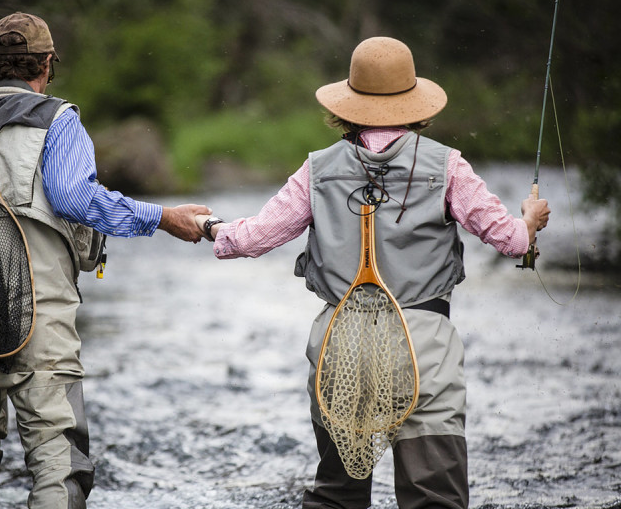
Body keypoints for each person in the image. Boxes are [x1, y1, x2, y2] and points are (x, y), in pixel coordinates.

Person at [195, 36, 551, 508]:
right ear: (414, 101)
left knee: (338, 497)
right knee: (434, 499)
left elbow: (250, 239)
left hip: (340, 343)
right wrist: (530, 220)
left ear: (347, 103)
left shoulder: (317, 169)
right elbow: (511, 242)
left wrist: (206, 225)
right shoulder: (448, 166)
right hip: (424, 345)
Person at [0, 12, 210, 509]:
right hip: (43, 329)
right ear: (48, 63)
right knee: (58, 458)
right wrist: (163, 217)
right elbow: (77, 198)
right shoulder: (59, 121)